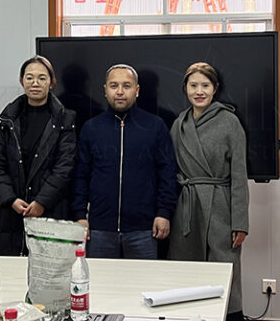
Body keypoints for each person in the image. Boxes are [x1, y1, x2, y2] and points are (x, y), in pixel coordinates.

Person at [169, 62, 249, 321]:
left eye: (205, 85)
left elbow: (239, 176)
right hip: (186, 206)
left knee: (224, 270)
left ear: (215, 89)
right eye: (193, 85)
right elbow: (170, 171)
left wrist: (240, 222)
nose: (199, 91)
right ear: (185, 89)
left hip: (220, 206)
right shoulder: (178, 124)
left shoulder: (230, 122)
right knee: (186, 271)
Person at [72, 64, 178, 259]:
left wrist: (164, 213)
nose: (120, 92)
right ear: (105, 90)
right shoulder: (91, 128)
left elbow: (167, 174)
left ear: (136, 91)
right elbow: (80, 175)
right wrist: (80, 215)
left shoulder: (155, 126)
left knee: (143, 286)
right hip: (99, 229)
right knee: (102, 286)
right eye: (114, 86)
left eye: (126, 86)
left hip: (144, 230)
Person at [0, 55, 76, 256]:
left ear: (51, 83)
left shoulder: (65, 120)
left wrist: (41, 202)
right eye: (29, 78)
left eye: (42, 78)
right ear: (22, 82)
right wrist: (10, 199)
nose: (35, 83)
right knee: (12, 276)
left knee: (49, 278)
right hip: (13, 212)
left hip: (51, 210)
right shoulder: (8, 119)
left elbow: (65, 167)